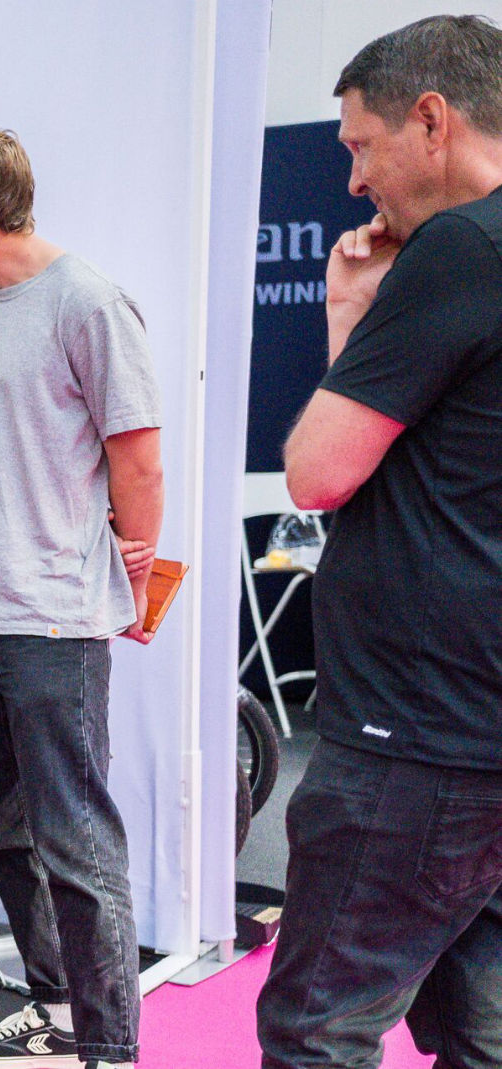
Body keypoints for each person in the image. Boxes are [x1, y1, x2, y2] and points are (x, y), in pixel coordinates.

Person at [258, 16, 502, 1069]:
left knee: (318, 1027)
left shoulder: (459, 248)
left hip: (418, 735)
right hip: (477, 727)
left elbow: (318, 469)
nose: (352, 181)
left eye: (359, 145)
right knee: (479, 1031)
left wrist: (351, 318)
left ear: (431, 120)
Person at [0, 125, 163, 1069]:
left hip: (54, 618)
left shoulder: (87, 302)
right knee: (2, 829)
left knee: (76, 839)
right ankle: (58, 1007)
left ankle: (109, 1047)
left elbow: (137, 459)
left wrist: (131, 592)